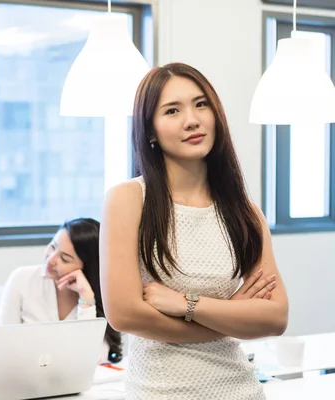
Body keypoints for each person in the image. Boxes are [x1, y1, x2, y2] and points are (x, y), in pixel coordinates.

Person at [100, 62, 289, 399]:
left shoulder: (245, 211)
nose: (192, 120)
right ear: (150, 131)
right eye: (172, 110)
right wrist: (231, 312)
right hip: (159, 392)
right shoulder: (128, 200)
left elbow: (274, 318)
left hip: (241, 390)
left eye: (201, 104)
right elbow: (124, 314)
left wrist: (187, 304)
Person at [0, 218, 122, 363]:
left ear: (87, 269)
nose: (51, 260)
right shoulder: (22, 278)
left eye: (65, 259)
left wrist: (86, 300)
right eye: (53, 247)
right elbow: (2, 346)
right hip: (24, 379)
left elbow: (93, 360)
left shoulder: (99, 297)